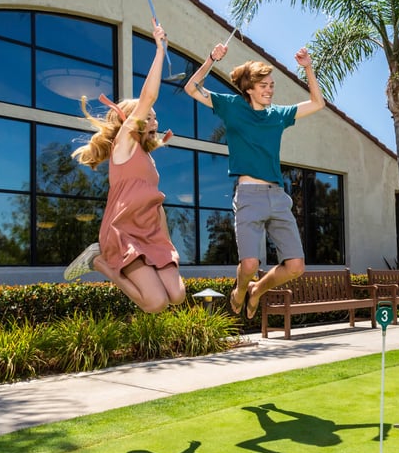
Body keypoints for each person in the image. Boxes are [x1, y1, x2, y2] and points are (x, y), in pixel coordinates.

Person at [183, 41, 326, 319]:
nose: (269, 90)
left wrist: (308, 68)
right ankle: (240, 291)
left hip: (277, 197)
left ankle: (258, 290)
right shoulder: (232, 106)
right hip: (248, 195)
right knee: (248, 264)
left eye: (271, 85)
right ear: (249, 88)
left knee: (296, 266)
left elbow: (317, 103)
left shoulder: (278, 115)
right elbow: (191, 88)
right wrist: (212, 58)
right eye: (263, 86)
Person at [63, 20, 186, 314]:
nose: (154, 121)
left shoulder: (146, 155)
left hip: (151, 231)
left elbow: (156, 202)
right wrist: (160, 51)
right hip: (124, 230)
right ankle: (100, 262)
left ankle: (113, 262)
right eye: (149, 117)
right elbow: (149, 96)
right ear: (132, 120)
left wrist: (166, 240)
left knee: (177, 296)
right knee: (155, 304)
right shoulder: (124, 144)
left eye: (156, 118)